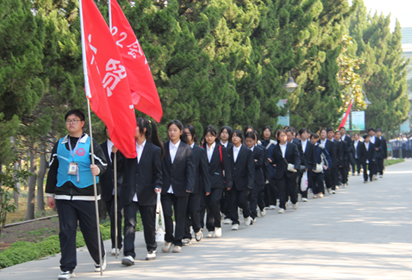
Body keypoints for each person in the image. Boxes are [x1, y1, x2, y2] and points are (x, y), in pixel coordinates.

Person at [45, 109, 107, 280]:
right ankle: (67, 267)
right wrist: (50, 193)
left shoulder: (90, 143)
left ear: (82, 123)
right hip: (64, 195)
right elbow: (53, 170)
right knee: (66, 230)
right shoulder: (59, 144)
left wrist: (98, 169)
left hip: (87, 194)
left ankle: (99, 257)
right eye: (68, 120)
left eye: (74, 120)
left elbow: (103, 164)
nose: (71, 123)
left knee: (90, 230)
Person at [121, 118, 163, 265]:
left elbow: (158, 173)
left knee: (148, 223)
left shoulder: (154, 150)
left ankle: (151, 248)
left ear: (144, 130)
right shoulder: (127, 147)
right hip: (130, 191)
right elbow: (121, 168)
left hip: (147, 191)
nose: (132, 129)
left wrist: (157, 185)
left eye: (135, 126)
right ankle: (129, 253)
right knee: (129, 223)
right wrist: (116, 151)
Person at [161, 120, 195, 253]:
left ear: (181, 132)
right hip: (166, 187)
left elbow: (191, 170)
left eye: (175, 130)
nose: (172, 133)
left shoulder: (186, 149)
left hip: (181, 187)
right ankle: (168, 238)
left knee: (180, 215)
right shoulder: (163, 147)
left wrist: (189, 186)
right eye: (170, 130)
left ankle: (178, 241)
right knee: (167, 214)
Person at [182, 125, 211, 244]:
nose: (185, 136)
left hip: (196, 186)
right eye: (184, 133)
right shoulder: (180, 149)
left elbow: (204, 170)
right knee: (183, 211)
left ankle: (197, 228)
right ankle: (186, 235)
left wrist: (207, 186)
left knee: (194, 210)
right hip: (182, 186)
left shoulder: (200, 151)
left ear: (194, 135)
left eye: (188, 134)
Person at [202, 125, 232, 237]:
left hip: (218, 181)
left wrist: (228, 182)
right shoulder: (201, 149)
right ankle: (210, 228)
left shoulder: (220, 149)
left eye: (211, 136)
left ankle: (218, 225)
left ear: (215, 136)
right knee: (208, 204)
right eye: (207, 136)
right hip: (205, 182)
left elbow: (227, 167)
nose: (209, 138)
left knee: (214, 202)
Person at [100, 127, 124, 256]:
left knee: (116, 215)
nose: (110, 132)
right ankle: (117, 240)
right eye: (108, 129)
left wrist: (117, 153)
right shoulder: (101, 147)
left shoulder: (122, 146)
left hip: (120, 187)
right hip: (107, 188)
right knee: (112, 216)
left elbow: (124, 166)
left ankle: (116, 244)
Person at [227, 129, 254, 229]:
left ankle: (247, 215)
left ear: (241, 138)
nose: (234, 138)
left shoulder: (247, 151)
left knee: (243, 201)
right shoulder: (228, 150)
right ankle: (235, 221)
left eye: (236, 136)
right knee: (232, 201)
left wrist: (250, 184)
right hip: (231, 181)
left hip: (243, 181)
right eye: (233, 136)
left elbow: (250, 169)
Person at [271, 130, 301, 214]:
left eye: (285, 135)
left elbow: (297, 157)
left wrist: (296, 166)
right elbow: (274, 159)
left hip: (290, 171)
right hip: (280, 172)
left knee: (292, 188)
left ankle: (294, 201)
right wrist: (272, 161)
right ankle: (282, 205)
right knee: (281, 189)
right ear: (278, 137)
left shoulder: (292, 146)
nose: (284, 137)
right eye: (281, 136)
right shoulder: (275, 148)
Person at [245, 132, 265, 223]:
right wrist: (253, 161)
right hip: (246, 177)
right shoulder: (243, 151)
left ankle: (253, 214)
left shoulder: (259, 150)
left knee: (254, 196)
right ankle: (249, 212)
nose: (248, 143)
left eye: (250, 141)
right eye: (247, 141)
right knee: (247, 197)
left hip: (256, 177)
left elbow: (260, 163)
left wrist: (250, 162)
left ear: (254, 141)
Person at [218, 126, 233, 225]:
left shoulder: (232, 146)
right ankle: (221, 211)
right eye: (222, 132)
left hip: (229, 173)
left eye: (226, 133)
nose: (224, 134)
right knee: (219, 195)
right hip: (218, 173)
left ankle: (228, 214)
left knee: (228, 195)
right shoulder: (216, 145)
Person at [310, 134, 332, 198]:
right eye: (311, 139)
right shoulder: (309, 147)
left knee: (320, 179)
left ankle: (320, 191)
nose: (312, 140)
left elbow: (326, 156)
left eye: (314, 138)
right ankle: (315, 192)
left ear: (317, 139)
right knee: (313, 180)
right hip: (312, 166)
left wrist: (327, 165)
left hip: (319, 165)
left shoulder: (320, 147)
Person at [261, 127, 278, 210]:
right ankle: (265, 203)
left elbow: (277, 155)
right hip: (262, 166)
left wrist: (273, 161)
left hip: (271, 166)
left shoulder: (273, 143)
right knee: (263, 185)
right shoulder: (259, 143)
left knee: (271, 185)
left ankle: (272, 202)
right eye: (265, 131)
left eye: (268, 131)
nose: (267, 133)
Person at [298, 128, 316, 202]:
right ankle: (301, 192)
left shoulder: (311, 144)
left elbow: (314, 156)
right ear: (300, 134)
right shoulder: (297, 143)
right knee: (299, 179)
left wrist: (314, 166)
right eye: (303, 133)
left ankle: (304, 195)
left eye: (306, 133)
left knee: (307, 180)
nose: (305, 134)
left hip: (309, 165)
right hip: (300, 164)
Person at [319, 128, 337, 194]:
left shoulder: (330, 143)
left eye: (324, 133)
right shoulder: (318, 142)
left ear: (326, 134)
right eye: (322, 133)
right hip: (320, 162)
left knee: (328, 176)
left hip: (327, 162)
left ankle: (329, 187)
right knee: (320, 177)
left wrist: (332, 164)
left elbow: (333, 154)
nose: (323, 134)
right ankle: (321, 190)